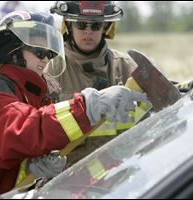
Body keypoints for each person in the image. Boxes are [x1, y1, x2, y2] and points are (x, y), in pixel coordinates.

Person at [0, 10, 147, 199]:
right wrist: (88, 106)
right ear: (13, 50)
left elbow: (1, 155)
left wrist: (29, 168)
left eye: (49, 53)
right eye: (39, 51)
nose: (46, 59)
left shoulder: (34, 93)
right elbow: (25, 129)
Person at [50, 1, 144, 166]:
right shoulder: (51, 68)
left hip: (118, 172)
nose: (88, 31)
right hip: (66, 178)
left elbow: (161, 94)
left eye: (95, 26)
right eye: (81, 24)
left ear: (105, 27)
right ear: (69, 26)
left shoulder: (124, 65)